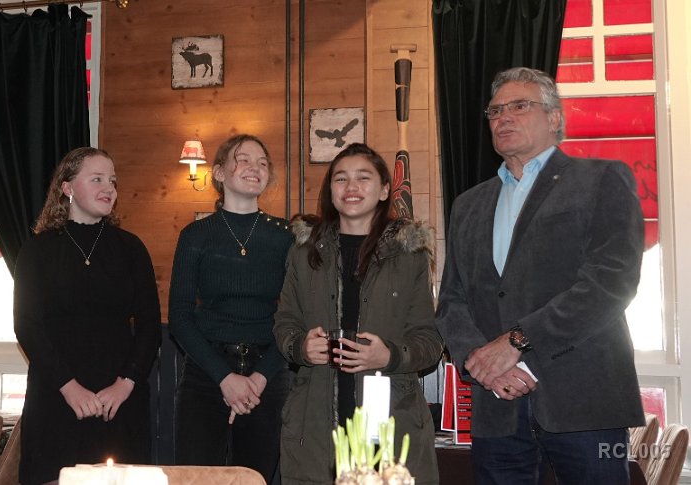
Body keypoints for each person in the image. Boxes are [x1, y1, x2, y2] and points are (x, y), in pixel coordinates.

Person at [435, 67, 645, 484]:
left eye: (519, 106)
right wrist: (485, 365)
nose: (503, 118)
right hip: (497, 405)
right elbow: (452, 301)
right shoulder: (468, 204)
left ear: (554, 118)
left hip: (583, 402)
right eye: (495, 111)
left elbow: (610, 281)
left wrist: (518, 341)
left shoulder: (601, 179)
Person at [273, 143, 442, 485]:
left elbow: (430, 340)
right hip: (314, 422)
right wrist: (300, 347)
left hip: (391, 421)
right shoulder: (304, 253)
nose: (351, 187)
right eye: (341, 179)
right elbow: (284, 323)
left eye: (363, 178)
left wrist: (390, 355)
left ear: (384, 190)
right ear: (331, 191)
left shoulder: (409, 255)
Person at [14, 147, 161, 485]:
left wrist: (125, 384)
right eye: (97, 179)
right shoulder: (37, 250)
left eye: (112, 181)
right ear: (67, 187)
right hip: (56, 400)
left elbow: (150, 327)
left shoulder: (131, 248)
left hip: (120, 404)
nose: (109, 188)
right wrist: (70, 388)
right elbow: (27, 326)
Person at [168, 134, 293, 482]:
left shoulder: (286, 236)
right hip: (205, 374)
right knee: (195, 479)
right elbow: (179, 316)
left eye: (262, 162)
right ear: (220, 173)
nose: (255, 167)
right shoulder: (195, 235)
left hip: (267, 375)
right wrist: (224, 377)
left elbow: (295, 318)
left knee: (254, 478)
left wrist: (258, 378)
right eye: (244, 159)